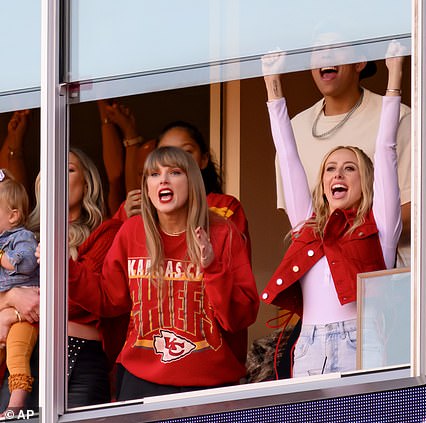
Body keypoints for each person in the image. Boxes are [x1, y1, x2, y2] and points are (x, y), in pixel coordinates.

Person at [67, 146, 258, 399]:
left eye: (175, 172)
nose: (163, 180)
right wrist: (63, 268)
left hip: (210, 384)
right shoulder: (131, 232)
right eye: (154, 174)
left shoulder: (223, 233)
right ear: (146, 187)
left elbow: (241, 316)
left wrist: (212, 267)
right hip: (140, 380)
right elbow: (108, 299)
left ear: (193, 182)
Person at [260, 42, 404, 376]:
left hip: (362, 341)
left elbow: (386, 148)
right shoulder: (307, 226)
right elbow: (287, 154)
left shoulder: (379, 226)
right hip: (309, 343)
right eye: (330, 168)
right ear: (322, 183)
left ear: (365, 181)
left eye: (349, 168)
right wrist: (272, 84)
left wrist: (395, 73)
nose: (338, 173)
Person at [276, 40, 411, 267]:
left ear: (360, 62)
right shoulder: (295, 128)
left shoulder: (398, 117)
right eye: (317, 49)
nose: (325, 56)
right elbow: (297, 216)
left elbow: (413, 208)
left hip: (384, 273)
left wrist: (349, 233)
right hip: (320, 270)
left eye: (335, 48)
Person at [31, 149, 124, 406]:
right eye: (50, 170)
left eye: (69, 169)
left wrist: (21, 300)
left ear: (87, 183)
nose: (57, 176)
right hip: (27, 354)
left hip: (82, 356)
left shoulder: (107, 233)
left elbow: (80, 302)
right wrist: (13, 295)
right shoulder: (25, 235)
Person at [111, 120, 251, 258]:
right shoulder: (135, 207)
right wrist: (124, 217)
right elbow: (107, 263)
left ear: (204, 159)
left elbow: (236, 266)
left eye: (187, 152)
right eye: (165, 153)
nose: (176, 160)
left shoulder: (225, 207)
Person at [0, 170, 38, 414]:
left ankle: (16, 404)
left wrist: (1, 255)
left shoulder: (22, 237)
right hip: (6, 309)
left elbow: (23, 264)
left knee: (16, 353)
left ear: (13, 216)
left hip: (26, 312)